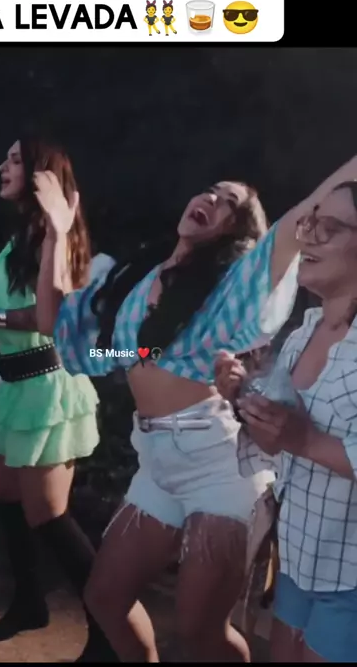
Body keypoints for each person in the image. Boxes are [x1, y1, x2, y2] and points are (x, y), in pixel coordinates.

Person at [33, 154, 357, 662]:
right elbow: (72, 333)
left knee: (199, 631)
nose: (212, 198)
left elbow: (304, 212)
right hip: (156, 459)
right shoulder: (137, 278)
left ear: (238, 232)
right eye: (211, 189)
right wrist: (57, 232)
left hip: (217, 462)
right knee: (104, 597)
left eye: (230, 203)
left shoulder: (234, 287)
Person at [0, 137, 119, 661]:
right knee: (9, 499)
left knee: (49, 516)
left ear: (43, 175)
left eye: (14, 159)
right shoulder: (18, 242)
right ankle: (29, 604)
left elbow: (50, 321)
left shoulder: (59, 241)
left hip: (47, 388)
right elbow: (3, 327)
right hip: (14, 385)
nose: (2, 166)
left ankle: (109, 631)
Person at [215, 179, 357, 664]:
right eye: (310, 223)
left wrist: (305, 440)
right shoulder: (303, 333)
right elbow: (281, 442)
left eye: (329, 227)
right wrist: (243, 397)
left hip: (349, 575)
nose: (309, 234)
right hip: (299, 554)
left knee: (199, 624)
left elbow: (301, 438)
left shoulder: (264, 298)